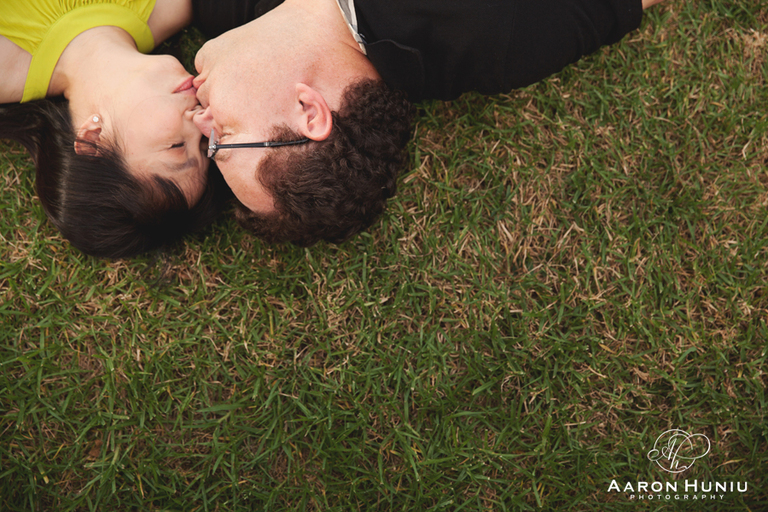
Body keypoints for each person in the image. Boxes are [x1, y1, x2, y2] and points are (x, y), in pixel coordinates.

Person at [189, 0, 667, 247]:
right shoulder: (487, 36)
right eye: (223, 139)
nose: (199, 119)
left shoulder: (235, 16)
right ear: (309, 113)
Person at [0, 0, 228, 258]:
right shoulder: (175, 7)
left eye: (177, 146)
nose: (202, 119)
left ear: (93, 139)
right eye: (202, 143)